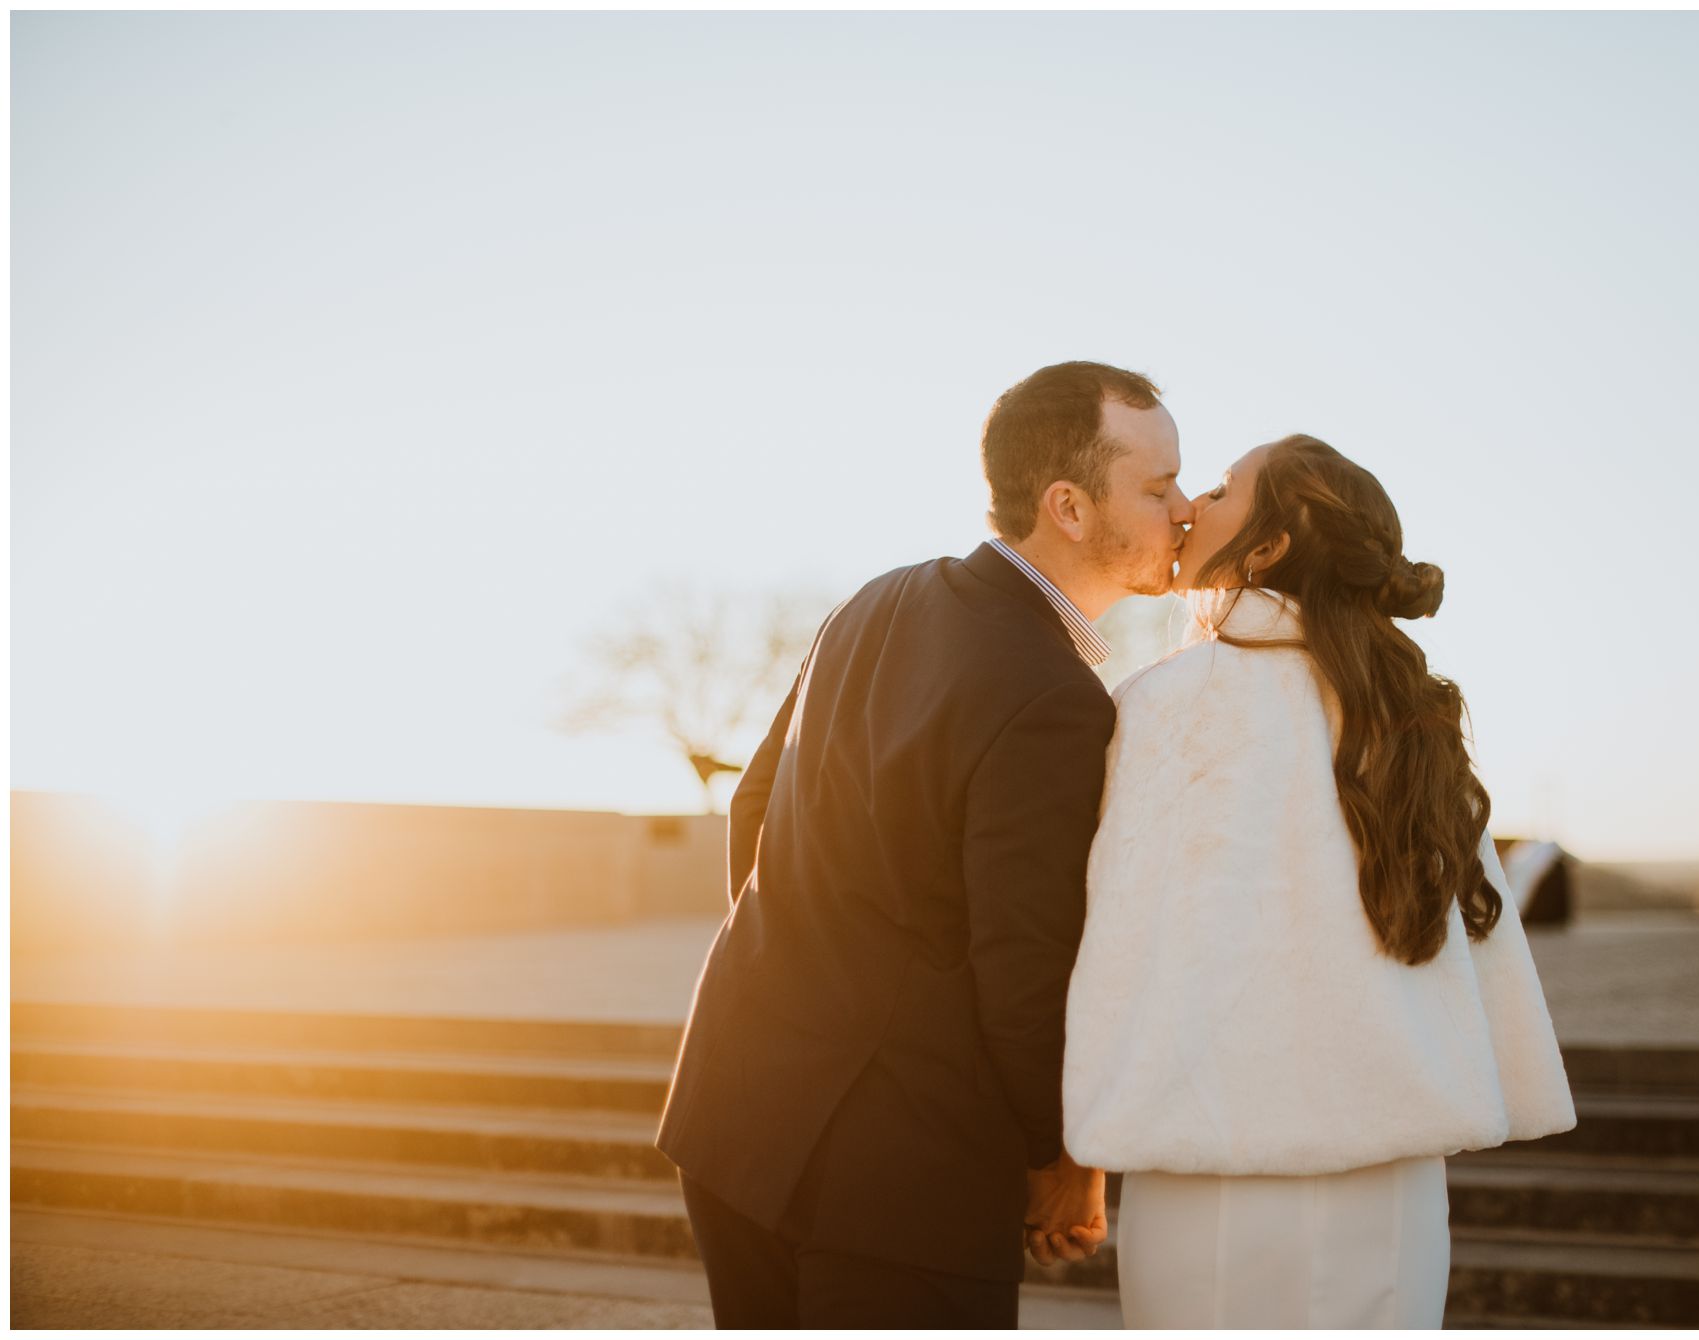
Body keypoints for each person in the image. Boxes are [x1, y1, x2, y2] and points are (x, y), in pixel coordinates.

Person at [654, 361, 1194, 1328]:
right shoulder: (1053, 697)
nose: (1185, 509)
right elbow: (1024, 967)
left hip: (734, 1114)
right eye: (1158, 488)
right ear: (1068, 507)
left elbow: (755, 811)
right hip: (897, 1178)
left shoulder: (873, 599)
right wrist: (1063, 1161)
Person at [1062, 433, 1578, 1329]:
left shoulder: (1164, 705)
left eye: (1221, 490)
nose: (1192, 506)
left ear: (1265, 550)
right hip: (1394, 1184)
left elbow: (1112, 944)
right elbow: (1476, 950)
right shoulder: (1412, 716)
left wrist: (1071, 1151)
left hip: (1208, 1174)